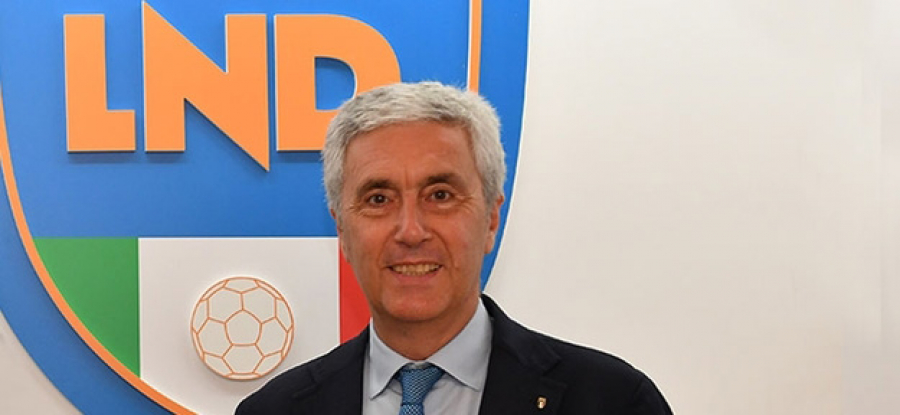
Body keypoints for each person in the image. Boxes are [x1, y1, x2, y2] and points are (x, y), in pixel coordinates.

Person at [236, 82, 673, 414]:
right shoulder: (273, 411)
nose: (410, 231)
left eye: (440, 195)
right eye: (379, 199)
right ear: (342, 231)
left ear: (491, 219)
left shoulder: (614, 401)